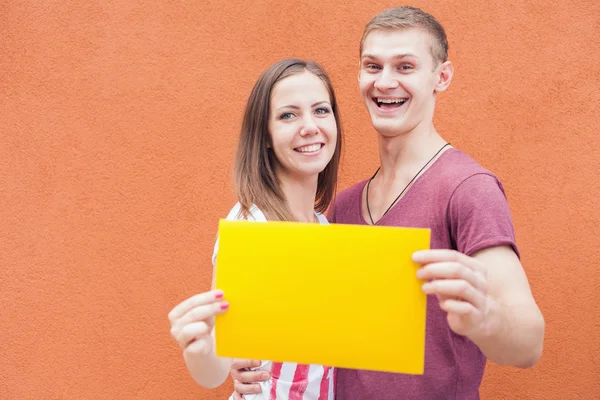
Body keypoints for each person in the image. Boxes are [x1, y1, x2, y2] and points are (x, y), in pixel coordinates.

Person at [230, 6, 545, 400]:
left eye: (405, 66)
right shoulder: (340, 211)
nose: (385, 82)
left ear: (441, 77)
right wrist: (248, 367)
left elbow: (528, 343)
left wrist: (486, 318)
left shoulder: (468, 188)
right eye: (373, 66)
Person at [167, 58, 343, 399]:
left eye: (321, 110)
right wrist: (199, 348)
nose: (309, 126)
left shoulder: (323, 226)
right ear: (264, 135)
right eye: (288, 115)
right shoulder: (252, 227)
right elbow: (217, 364)